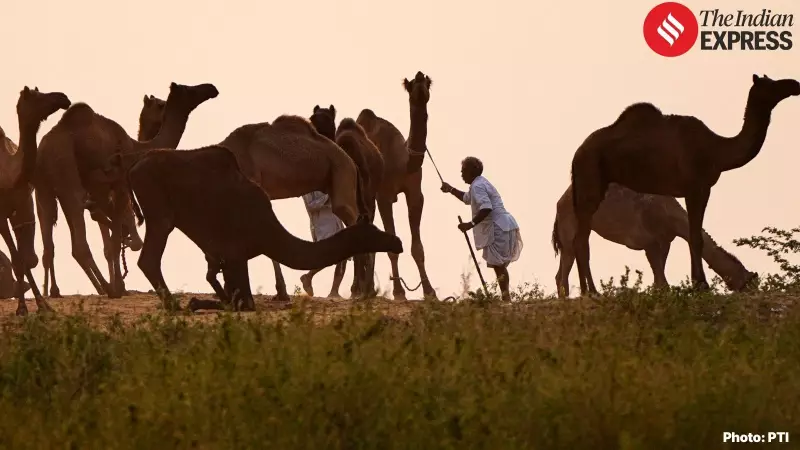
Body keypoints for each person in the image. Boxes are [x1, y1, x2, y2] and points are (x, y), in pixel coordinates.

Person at [441, 156, 522, 301]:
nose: (461, 174)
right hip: (505, 224)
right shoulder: (479, 184)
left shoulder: (478, 186)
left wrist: (470, 224)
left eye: (463, 171)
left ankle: (506, 299)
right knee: (500, 265)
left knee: (499, 266)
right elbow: (467, 198)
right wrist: (451, 189)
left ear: (470, 172)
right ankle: (506, 298)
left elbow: (486, 208)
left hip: (497, 227)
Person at [299, 191, 348, 298]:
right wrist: (327, 197)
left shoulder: (325, 182)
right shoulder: (307, 186)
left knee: (345, 255)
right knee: (328, 256)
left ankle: (334, 291)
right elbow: (310, 206)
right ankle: (308, 276)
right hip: (322, 225)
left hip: (335, 220)